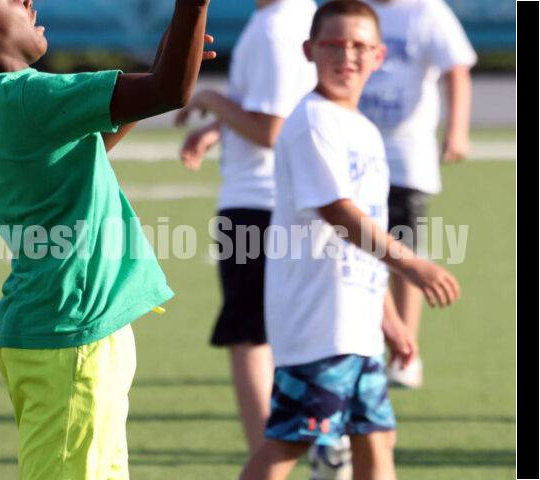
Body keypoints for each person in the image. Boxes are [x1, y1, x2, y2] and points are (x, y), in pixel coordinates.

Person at [0, 0, 215, 478]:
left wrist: (164, 64)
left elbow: (90, 142)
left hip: (71, 331)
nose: (29, 1)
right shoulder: (28, 96)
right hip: (70, 336)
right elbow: (169, 90)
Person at [238, 2, 460, 478]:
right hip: (319, 324)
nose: (347, 56)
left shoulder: (363, 129)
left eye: (360, 46)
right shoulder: (314, 121)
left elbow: (360, 238)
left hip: (356, 325)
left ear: (379, 56)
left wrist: (391, 321)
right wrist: (413, 266)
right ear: (309, 51)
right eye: (334, 45)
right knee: (290, 442)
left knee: (377, 439)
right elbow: (340, 213)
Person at [173, 0, 316, 455]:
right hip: (288, 198)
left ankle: (270, 456)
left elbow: (271, 130)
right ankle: (310, 442)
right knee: (288, 331)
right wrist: (219, 125)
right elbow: (278, 106)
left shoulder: (276, 27)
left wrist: (212, 99)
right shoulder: (295, 15)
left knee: (249, 337)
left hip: (258, 203)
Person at [359, 0, 477, 389]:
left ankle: (405, 352)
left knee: (403, 253)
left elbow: (455, 69)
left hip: (405, 155)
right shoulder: (354, 9)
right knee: (357, 249)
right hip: (354, 150)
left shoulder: (427, 12)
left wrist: (457, 129)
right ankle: (364, 345)